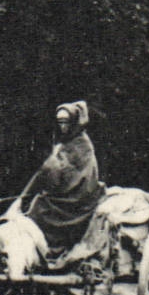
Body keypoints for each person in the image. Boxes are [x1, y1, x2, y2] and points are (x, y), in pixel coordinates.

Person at [20, 100, 106, 254]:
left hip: (78, 197)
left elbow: (84, 176)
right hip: (63, 192)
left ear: (74, 122)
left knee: (41, 208)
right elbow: (46, 172)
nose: (63, 126)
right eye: (60, 122)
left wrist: (55, 167)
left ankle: (53, 249)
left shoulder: (83, 145)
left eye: (66, 122)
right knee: (35, 202)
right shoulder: (64, 143)